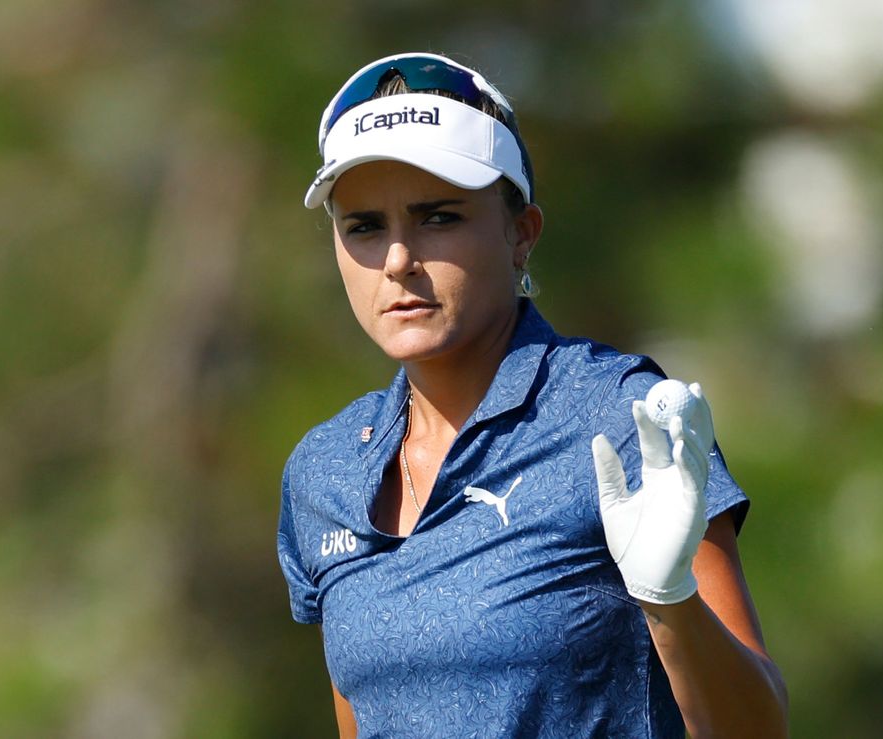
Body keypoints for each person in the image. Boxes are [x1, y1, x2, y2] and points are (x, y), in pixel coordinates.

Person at [276, 52, 788, 737]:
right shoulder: (324, 469)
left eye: (438, 217)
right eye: (364, 226)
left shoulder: (618, 411)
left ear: (522, 233)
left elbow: (757, 729)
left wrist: (672, 603)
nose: (397, 259)